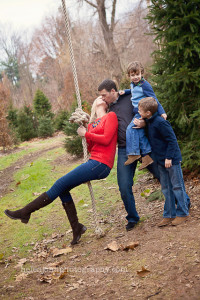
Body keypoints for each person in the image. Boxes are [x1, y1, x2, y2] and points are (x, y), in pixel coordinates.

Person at [4, 98, 118, 245]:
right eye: (99, 96)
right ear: (94, 103)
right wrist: (86, 128)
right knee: (63, 189)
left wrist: (86, 134)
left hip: (101, 164)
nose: (102, 98)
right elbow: (90, 147)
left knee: (60, 183)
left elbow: (107, 139)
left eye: (104, 97)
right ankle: (76, 228)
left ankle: (25, 212)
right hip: (94, 161)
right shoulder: (91, 124)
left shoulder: (111, 116)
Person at [97, 79, 160, 231]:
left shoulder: (129, 96)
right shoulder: (106, 108)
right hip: (125, 149)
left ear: (113, 91)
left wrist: (146, 122)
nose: (102, 98)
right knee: (124, 186)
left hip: (142, 145)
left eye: (104, 95)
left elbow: (150, 100)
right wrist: (100, 106)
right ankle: (132, 217)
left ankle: (183, 201)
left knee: (162, 174)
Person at [138, 97, 189, 226]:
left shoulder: (161, 122)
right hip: (160, 161)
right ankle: (169, 214)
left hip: (171, 160)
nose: (138, 112)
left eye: (140, 110)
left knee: (177, 186)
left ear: (148, 112)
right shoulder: (149, 121)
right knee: (166, 188)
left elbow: (172, 140)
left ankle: (182, 213)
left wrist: (169, 157)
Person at [119, 61, 167, 169]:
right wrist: (125, 92)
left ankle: (133, 153)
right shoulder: (134, 84)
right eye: (132, 75)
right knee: (139, 133)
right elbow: (133, 91)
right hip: (138, 112)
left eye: (137, 74)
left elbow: (154, 99)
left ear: (142, 73)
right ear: (129, 76)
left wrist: (162, 112)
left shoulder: (145, 85)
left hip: (142, 112)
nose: (135, 77)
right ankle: (146, 157)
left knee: (130, 129)